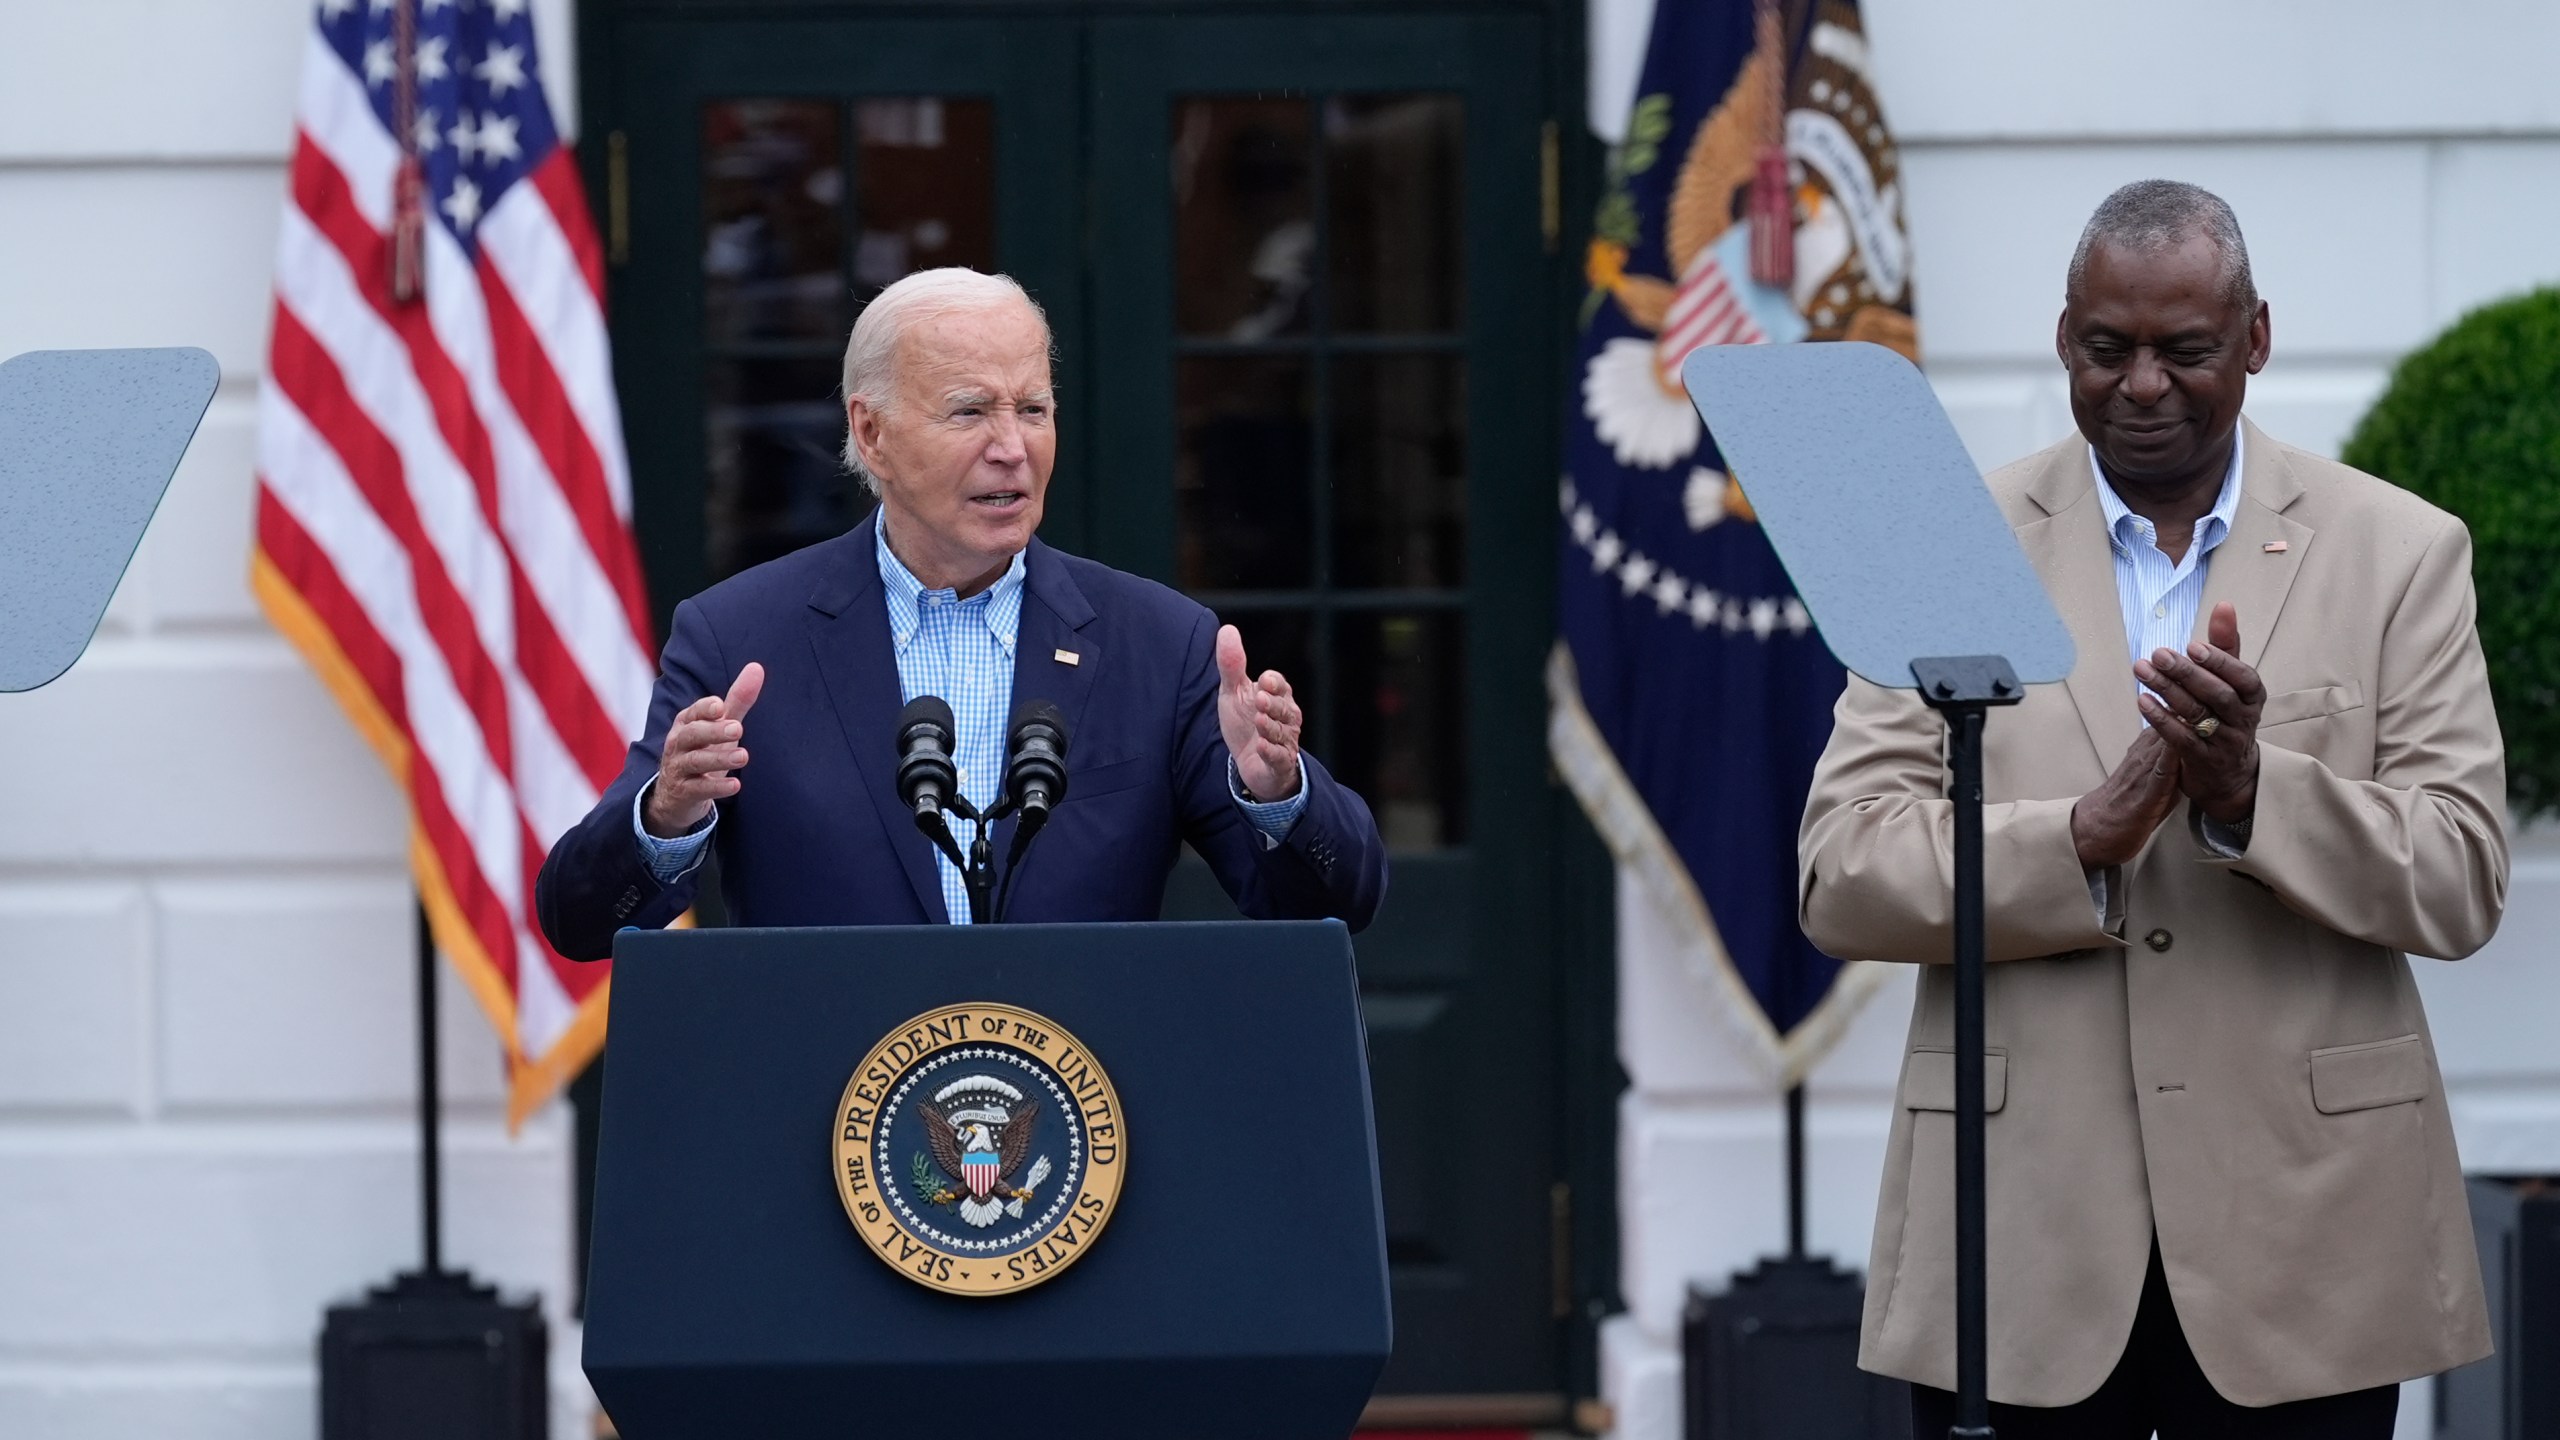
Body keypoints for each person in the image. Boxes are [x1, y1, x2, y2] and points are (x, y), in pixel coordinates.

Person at [1799, 181, 2507, 1437]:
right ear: (2062, 334)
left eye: (2183, 352)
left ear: (2255, 340)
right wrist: (2078, 837)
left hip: (2307, 1245)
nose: (2139, 387)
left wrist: (2250, 795)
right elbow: (1840, 870)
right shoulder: (1936, 539)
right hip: (2019, 1242)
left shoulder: (2400, 551)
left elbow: (2459, 878)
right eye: (2104, 349)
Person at [537, 268, 1386, 958]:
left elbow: (1335, 902)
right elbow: (582, 920)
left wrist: (1280, 793)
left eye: (1034, 409)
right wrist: (666, 815)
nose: (1012, 446)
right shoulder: (741, 637)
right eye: (971, 410)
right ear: (871, 436)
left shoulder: (1158, 644)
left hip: (1082, 1129)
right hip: (831, 1125)